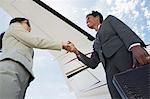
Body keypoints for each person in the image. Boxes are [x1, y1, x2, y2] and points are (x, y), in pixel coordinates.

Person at [65, 11, 150, 98]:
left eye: (88, 18)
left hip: (124, 58)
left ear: (97, 17)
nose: (86, 21)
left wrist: (135, 46)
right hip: (110, 72)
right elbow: (92, 63)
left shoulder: (109, 21)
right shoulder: (95, 44)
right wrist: (76, 51)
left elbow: (123, 30)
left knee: (141, 87)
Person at [0, 17, 70, 99]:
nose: (29, 30)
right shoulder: (14, 26)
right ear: (24, 21)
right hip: (12, 66)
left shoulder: (19, 40)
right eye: (28, 27)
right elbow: (35, 41)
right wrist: (62, 44)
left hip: (24, 73)